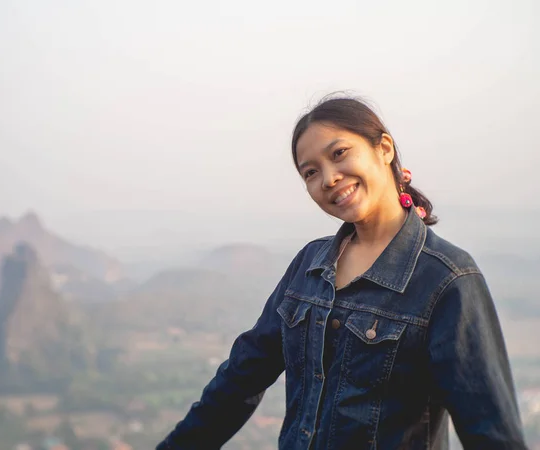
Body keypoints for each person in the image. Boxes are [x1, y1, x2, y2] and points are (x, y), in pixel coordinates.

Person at [156, 96, 528, 449]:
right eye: (311, 172)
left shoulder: (446, 280)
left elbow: (490, 433)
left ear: (384, 148)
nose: (329, 178)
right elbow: (238, 381)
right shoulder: (310, 265)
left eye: (339, 154)